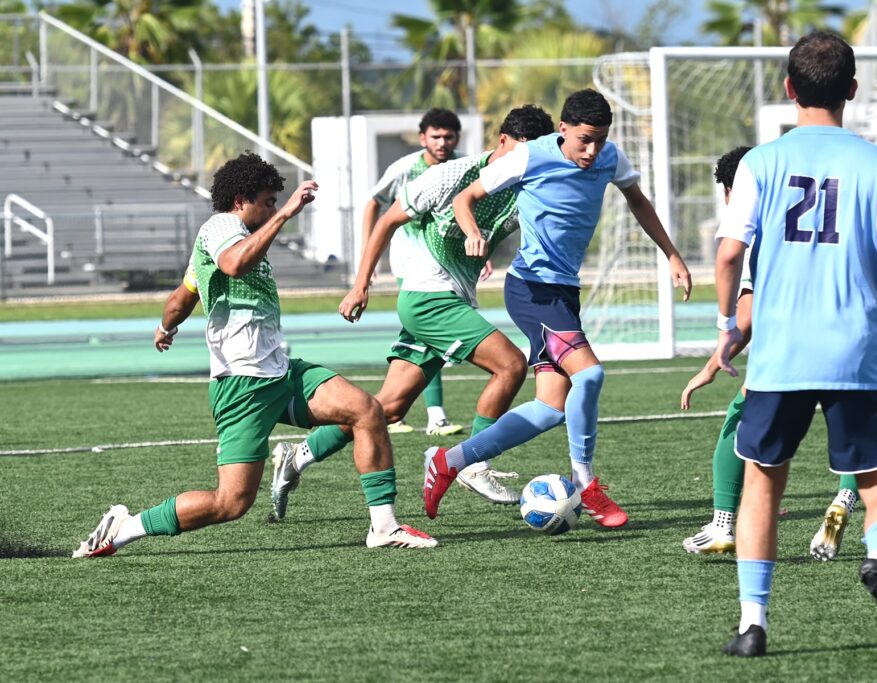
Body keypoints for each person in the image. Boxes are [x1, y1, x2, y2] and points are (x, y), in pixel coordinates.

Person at [72, 153, 436, 558]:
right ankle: (124, 528)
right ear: (241, 199)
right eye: (268, 202)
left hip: (280, 372)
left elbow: (181, 297)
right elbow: (234, 264)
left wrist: (167, 327)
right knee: (230, 503)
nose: (274, 209)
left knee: (366, 410)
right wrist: (288, 215)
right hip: (242, 384)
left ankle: (384, 527)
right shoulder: (221, 227)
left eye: (277, 203)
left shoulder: (231, 237)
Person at [712, 33, 877, 657]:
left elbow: (729, 252)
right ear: (852, 90)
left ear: (789, 89)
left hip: (779, 352)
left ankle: (754, 625)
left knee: (763, 484)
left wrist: (729, 323)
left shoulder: (759, 163)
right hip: (855, 351)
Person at [421, 88, 692, 526]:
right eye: (584, 139)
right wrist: (473, 233)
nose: (592, 150)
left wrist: (672, 254)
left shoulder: (610, 158)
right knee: (591, 373)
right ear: (562, 129)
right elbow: (463, 198)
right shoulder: (531, 157)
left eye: (600, 139)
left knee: (550, 408)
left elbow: (637, 200)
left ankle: (448, 461)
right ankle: (585, 482)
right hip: (531, 289)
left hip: (563, 292)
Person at [268, 105, 555, 519]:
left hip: (452, 298)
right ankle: (473, 462)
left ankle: (298, 456)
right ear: (504, 141)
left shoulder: (527, 188)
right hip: (427, 297)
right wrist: (361, 284)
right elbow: (385, 222)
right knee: (510, 365)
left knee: (388, 407)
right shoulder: (447, 177)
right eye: (523, 152)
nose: (527, 163)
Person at [680, 147, 877, 562]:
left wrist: (713, 363)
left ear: (734, 190)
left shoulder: (759, 227)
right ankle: (845, 504)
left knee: (743, 420)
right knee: (867, 442)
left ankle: (727, 532)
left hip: (806, 336)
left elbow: (744, 315)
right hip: (875, 330)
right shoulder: (839, 190)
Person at [363, 108, 465, 435]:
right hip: (411, 263)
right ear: (423, 138)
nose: (442, 142)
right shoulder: (406, 168)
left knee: (417, 339)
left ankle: (386, 410)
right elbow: (373, 202)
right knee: (429, 336)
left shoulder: (462, 166)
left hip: (446, 263)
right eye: (436, 136)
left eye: (448, 136)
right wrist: (370, 256)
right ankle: (435, 415)